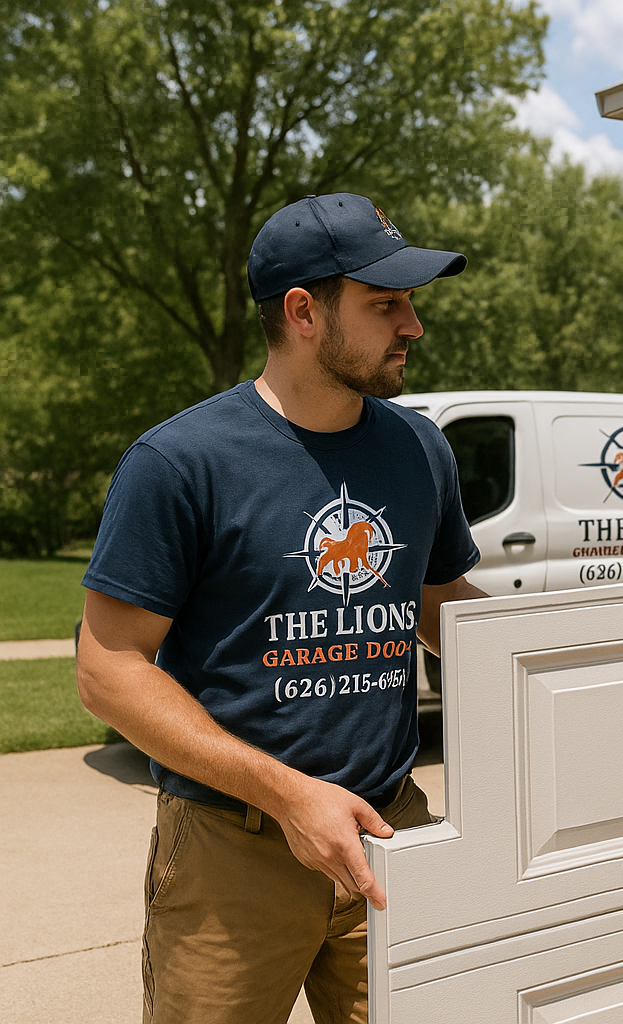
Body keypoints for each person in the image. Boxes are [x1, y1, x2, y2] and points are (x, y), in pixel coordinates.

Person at [75, 192, 488, 1024]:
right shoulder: (179, 462)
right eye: (385, 304)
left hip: (388, 836)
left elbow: (447, 609)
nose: (412, 326)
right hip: (234, 852)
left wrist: (588, 658)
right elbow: (108, 670)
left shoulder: (420, 449)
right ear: (303, 311)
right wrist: (290, 795)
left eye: (409, 303)